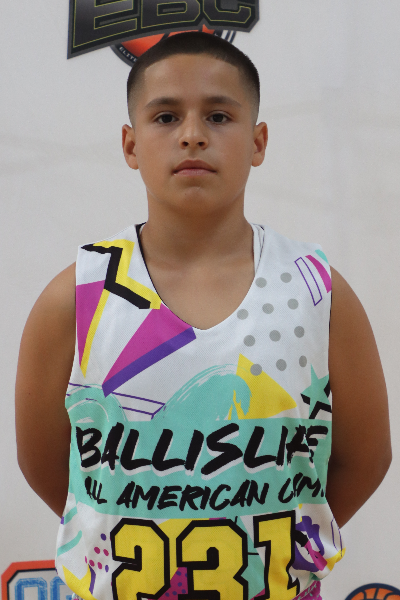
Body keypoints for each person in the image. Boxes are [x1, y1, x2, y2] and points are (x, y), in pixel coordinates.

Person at [15, 31, 391, 600]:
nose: (192, 134)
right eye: (166, 117)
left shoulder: (316, 290)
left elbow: (366, 456)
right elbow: (45, 463)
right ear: (130, 145)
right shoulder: (76, 296)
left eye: (218, 116)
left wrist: (283, 542)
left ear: (258, 141)